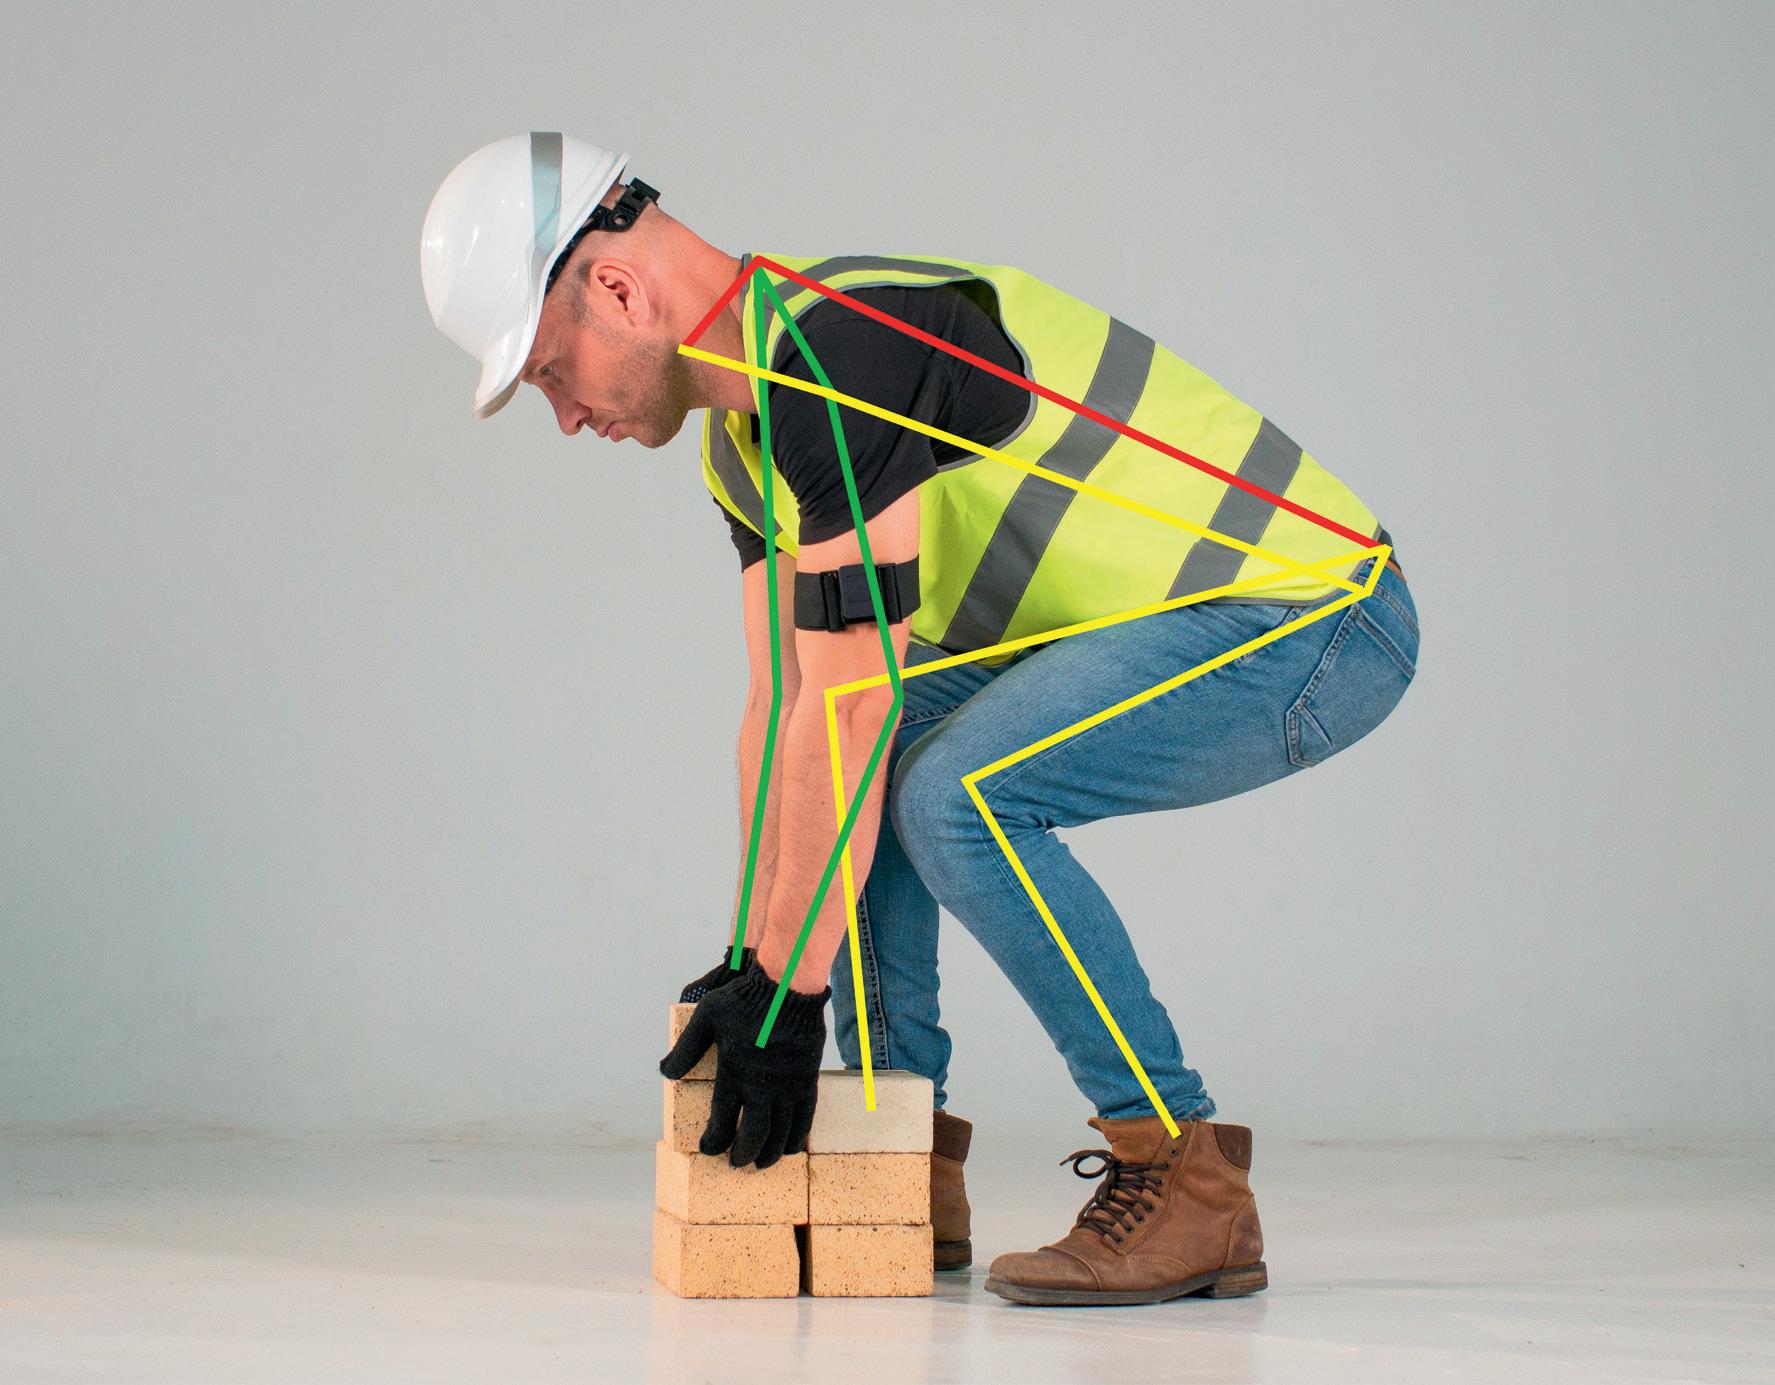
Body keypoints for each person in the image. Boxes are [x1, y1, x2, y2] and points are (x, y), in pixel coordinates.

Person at [421, 132, 1420, 1306]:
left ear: (617, 289)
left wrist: (792, 991)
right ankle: (899, 1151)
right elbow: (787, 707)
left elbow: (847, 704)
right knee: (879, 763)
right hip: (1185, 625)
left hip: (1315, 615)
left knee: (957, 794)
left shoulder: (841, 358)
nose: (563, 415)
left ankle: (1181, 1169)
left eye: (549, 371)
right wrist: (753, 961)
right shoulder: (742, 445)